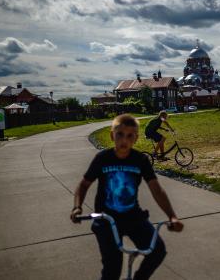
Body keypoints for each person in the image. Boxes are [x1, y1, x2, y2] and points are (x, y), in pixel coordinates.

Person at [71, 113, 183, 280]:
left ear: (136, 138)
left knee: (157, 250)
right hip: (106, 220)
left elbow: (156, 189)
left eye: (130, 136)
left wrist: (172, 216)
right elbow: (84, 184)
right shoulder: (103, 159)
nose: (124, 140)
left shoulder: (140, 160)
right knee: (113, 267)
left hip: (133, 217)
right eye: (120, 134)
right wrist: (77, 206)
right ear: (112, 135)